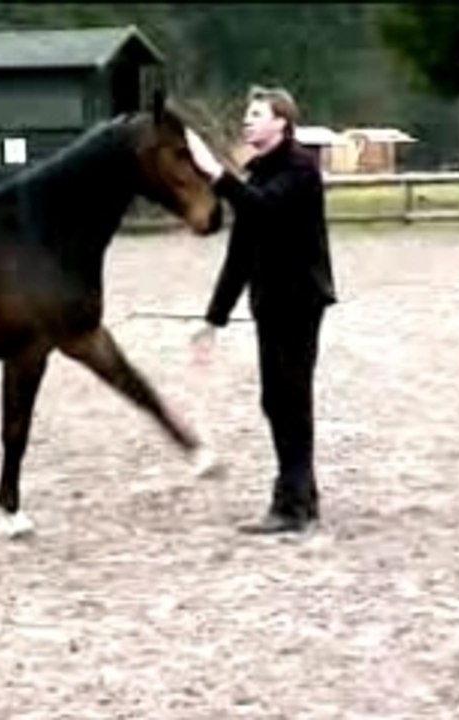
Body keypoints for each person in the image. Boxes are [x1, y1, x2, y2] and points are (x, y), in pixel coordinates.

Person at [185, 85, 337, 534]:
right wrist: (212, 319)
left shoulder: (300, 169)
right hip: (271, 304)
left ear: (281, 123)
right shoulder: (259, 175)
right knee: (278, 400)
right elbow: (240, 255)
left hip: (299, 301)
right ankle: (301, 497)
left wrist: (216, 172)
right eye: (248, 115)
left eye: (257, 114)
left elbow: (265, 210)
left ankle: (292, 505)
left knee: (289, 399)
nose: (247, 121)